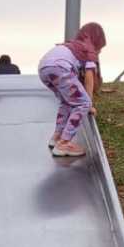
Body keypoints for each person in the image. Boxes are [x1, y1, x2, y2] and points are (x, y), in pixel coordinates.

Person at [37, 23, 106, 158]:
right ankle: (64, 143)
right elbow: (89, 77)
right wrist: (89, 104)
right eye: (100, 48)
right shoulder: (88, 50)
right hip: (59, 68)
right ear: (96, 40)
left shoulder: (72, 45)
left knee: (66, 102)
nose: (99, 52)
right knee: (83, 103)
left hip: (44, 68)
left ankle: (56, 137)